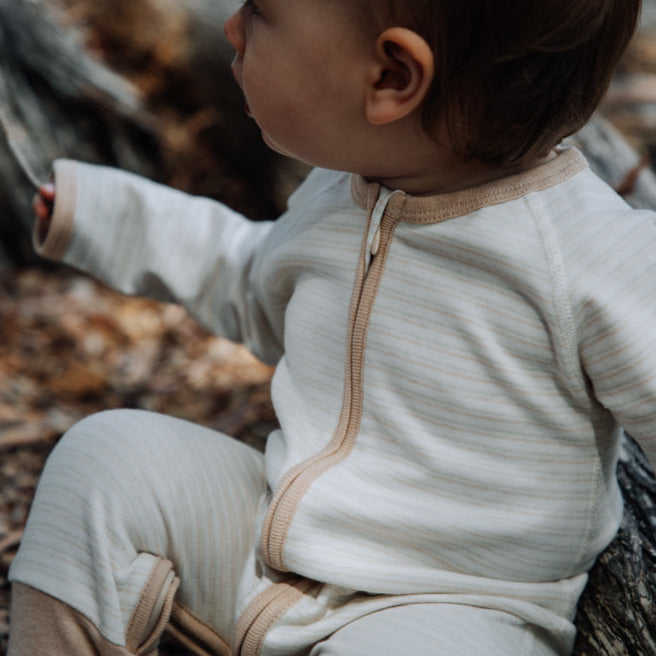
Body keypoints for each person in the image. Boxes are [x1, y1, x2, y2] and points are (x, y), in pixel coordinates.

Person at [8, 0, 653, 655]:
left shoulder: (584, 254)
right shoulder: (338, 195)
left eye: (260, 11)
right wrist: (110, 215)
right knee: (107, 457)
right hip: (269, 539)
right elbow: (248, 277)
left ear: (392, 78)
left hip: (451, 604)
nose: (230, 25)